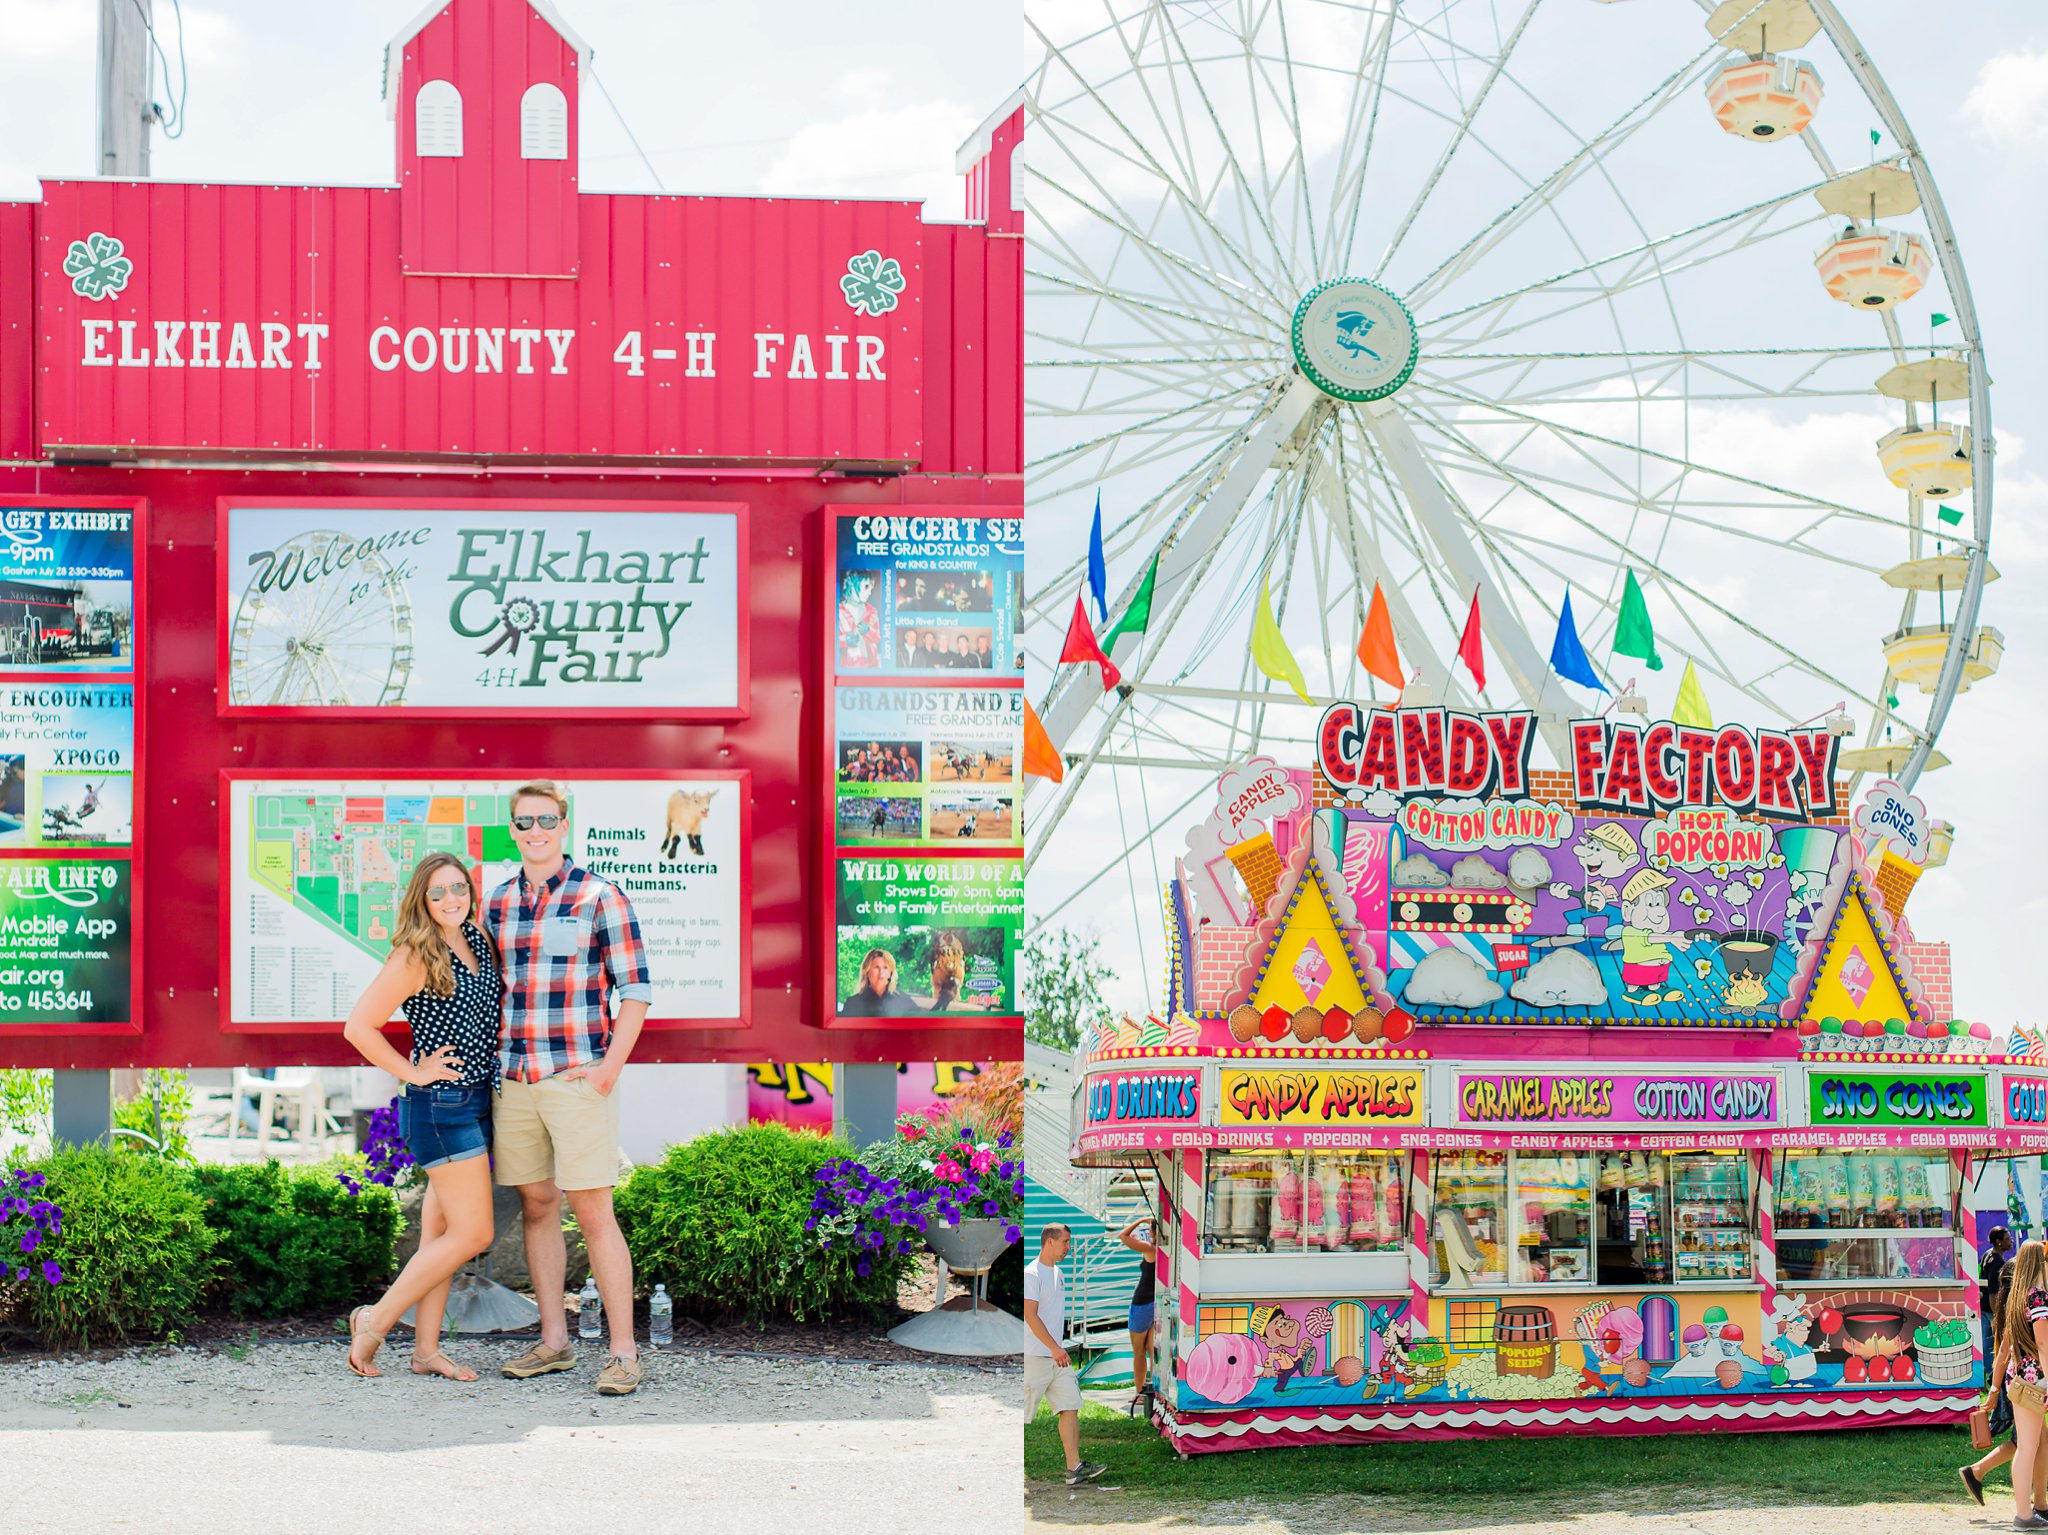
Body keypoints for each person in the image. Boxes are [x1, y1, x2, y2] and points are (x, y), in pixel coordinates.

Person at [488, 781, 651, 1398]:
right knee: (537, 1204)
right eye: (525, 821)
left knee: (593, 1210)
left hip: (578, 1077)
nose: (536, 831)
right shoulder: (497, 903)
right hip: (517, 1079)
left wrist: (609, 1069)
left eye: (546, 820)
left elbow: (635, 989)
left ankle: (623, 1353)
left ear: (564, 824)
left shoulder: (599, 896)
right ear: (513, 828)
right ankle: (554, 1342)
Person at [340, 852, 502, 1381]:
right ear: (421, 901)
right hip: (441, 1109)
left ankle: (426, 1351)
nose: (451, 899)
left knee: (440, 1236)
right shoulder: (416, 953)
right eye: (438, 893)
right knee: (474, 1232)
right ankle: (375, 1319)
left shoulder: (476, 941)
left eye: (459, 888)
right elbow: (359, 1027)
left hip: (477, 1100)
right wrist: (413, 1072)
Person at [1025, 1225, 1105, 1487]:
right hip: (1036, 1357)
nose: (1068, 1247)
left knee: (1069, 1406)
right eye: (1066, 1242)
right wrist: (1054, 1348)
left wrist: (1058, 1350)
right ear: (1049, 1242)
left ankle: (1074, 1468)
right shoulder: (1031, 1274)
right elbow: (1030, 1316)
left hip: (1056, 1358)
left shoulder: (1058, 1273)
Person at [1966, 1279, 2023, 1510]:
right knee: (2025, 1443)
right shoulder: (2023, 1307)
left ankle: (1976, 1472)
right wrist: (1994, 1390)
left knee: (2029, 1442)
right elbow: (2002, 1354)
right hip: (2023, 1386)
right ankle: (2031, 1507)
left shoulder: (2012, 1309)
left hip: (2016, 1386)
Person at [2002, 1238, 2048, 1527]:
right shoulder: (2039, 1296)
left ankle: (2027, 1510)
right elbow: (2043, 1342)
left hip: (2019, 1376)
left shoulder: (2019, 1296)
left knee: (2028, 1445)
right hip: (2035, 1380)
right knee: (2028, 1447)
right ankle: (2024, 1514)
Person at [1118, 1216, 1159, 1410]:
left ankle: (1140, 1391)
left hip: (1142, 1303)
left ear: (1153, 1233)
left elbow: (1123, 1236)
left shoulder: (1150, 1249)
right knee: (1153, 1348)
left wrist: (1141, 1219)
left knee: (1139, 1351)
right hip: (1156, 1303)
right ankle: (1154, 1388)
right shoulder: (1166, 1252)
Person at [840, 946, 918, 1016]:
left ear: (891, 973)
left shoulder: (904, 1001)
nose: (881, 972)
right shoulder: (853, 1003)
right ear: (867, 972)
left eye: (885, 968)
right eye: (876, 967)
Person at [1990, 1228, 2018, 1357]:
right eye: (2007, 1239)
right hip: (1992, 1309)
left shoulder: (1989, 1255)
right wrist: (1997, 1314)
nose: (2011, 1241)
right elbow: (1993, 1291)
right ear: (1998, 1242)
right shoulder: (1997, 1262)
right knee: (1997, 1347)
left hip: (1989, 1309)